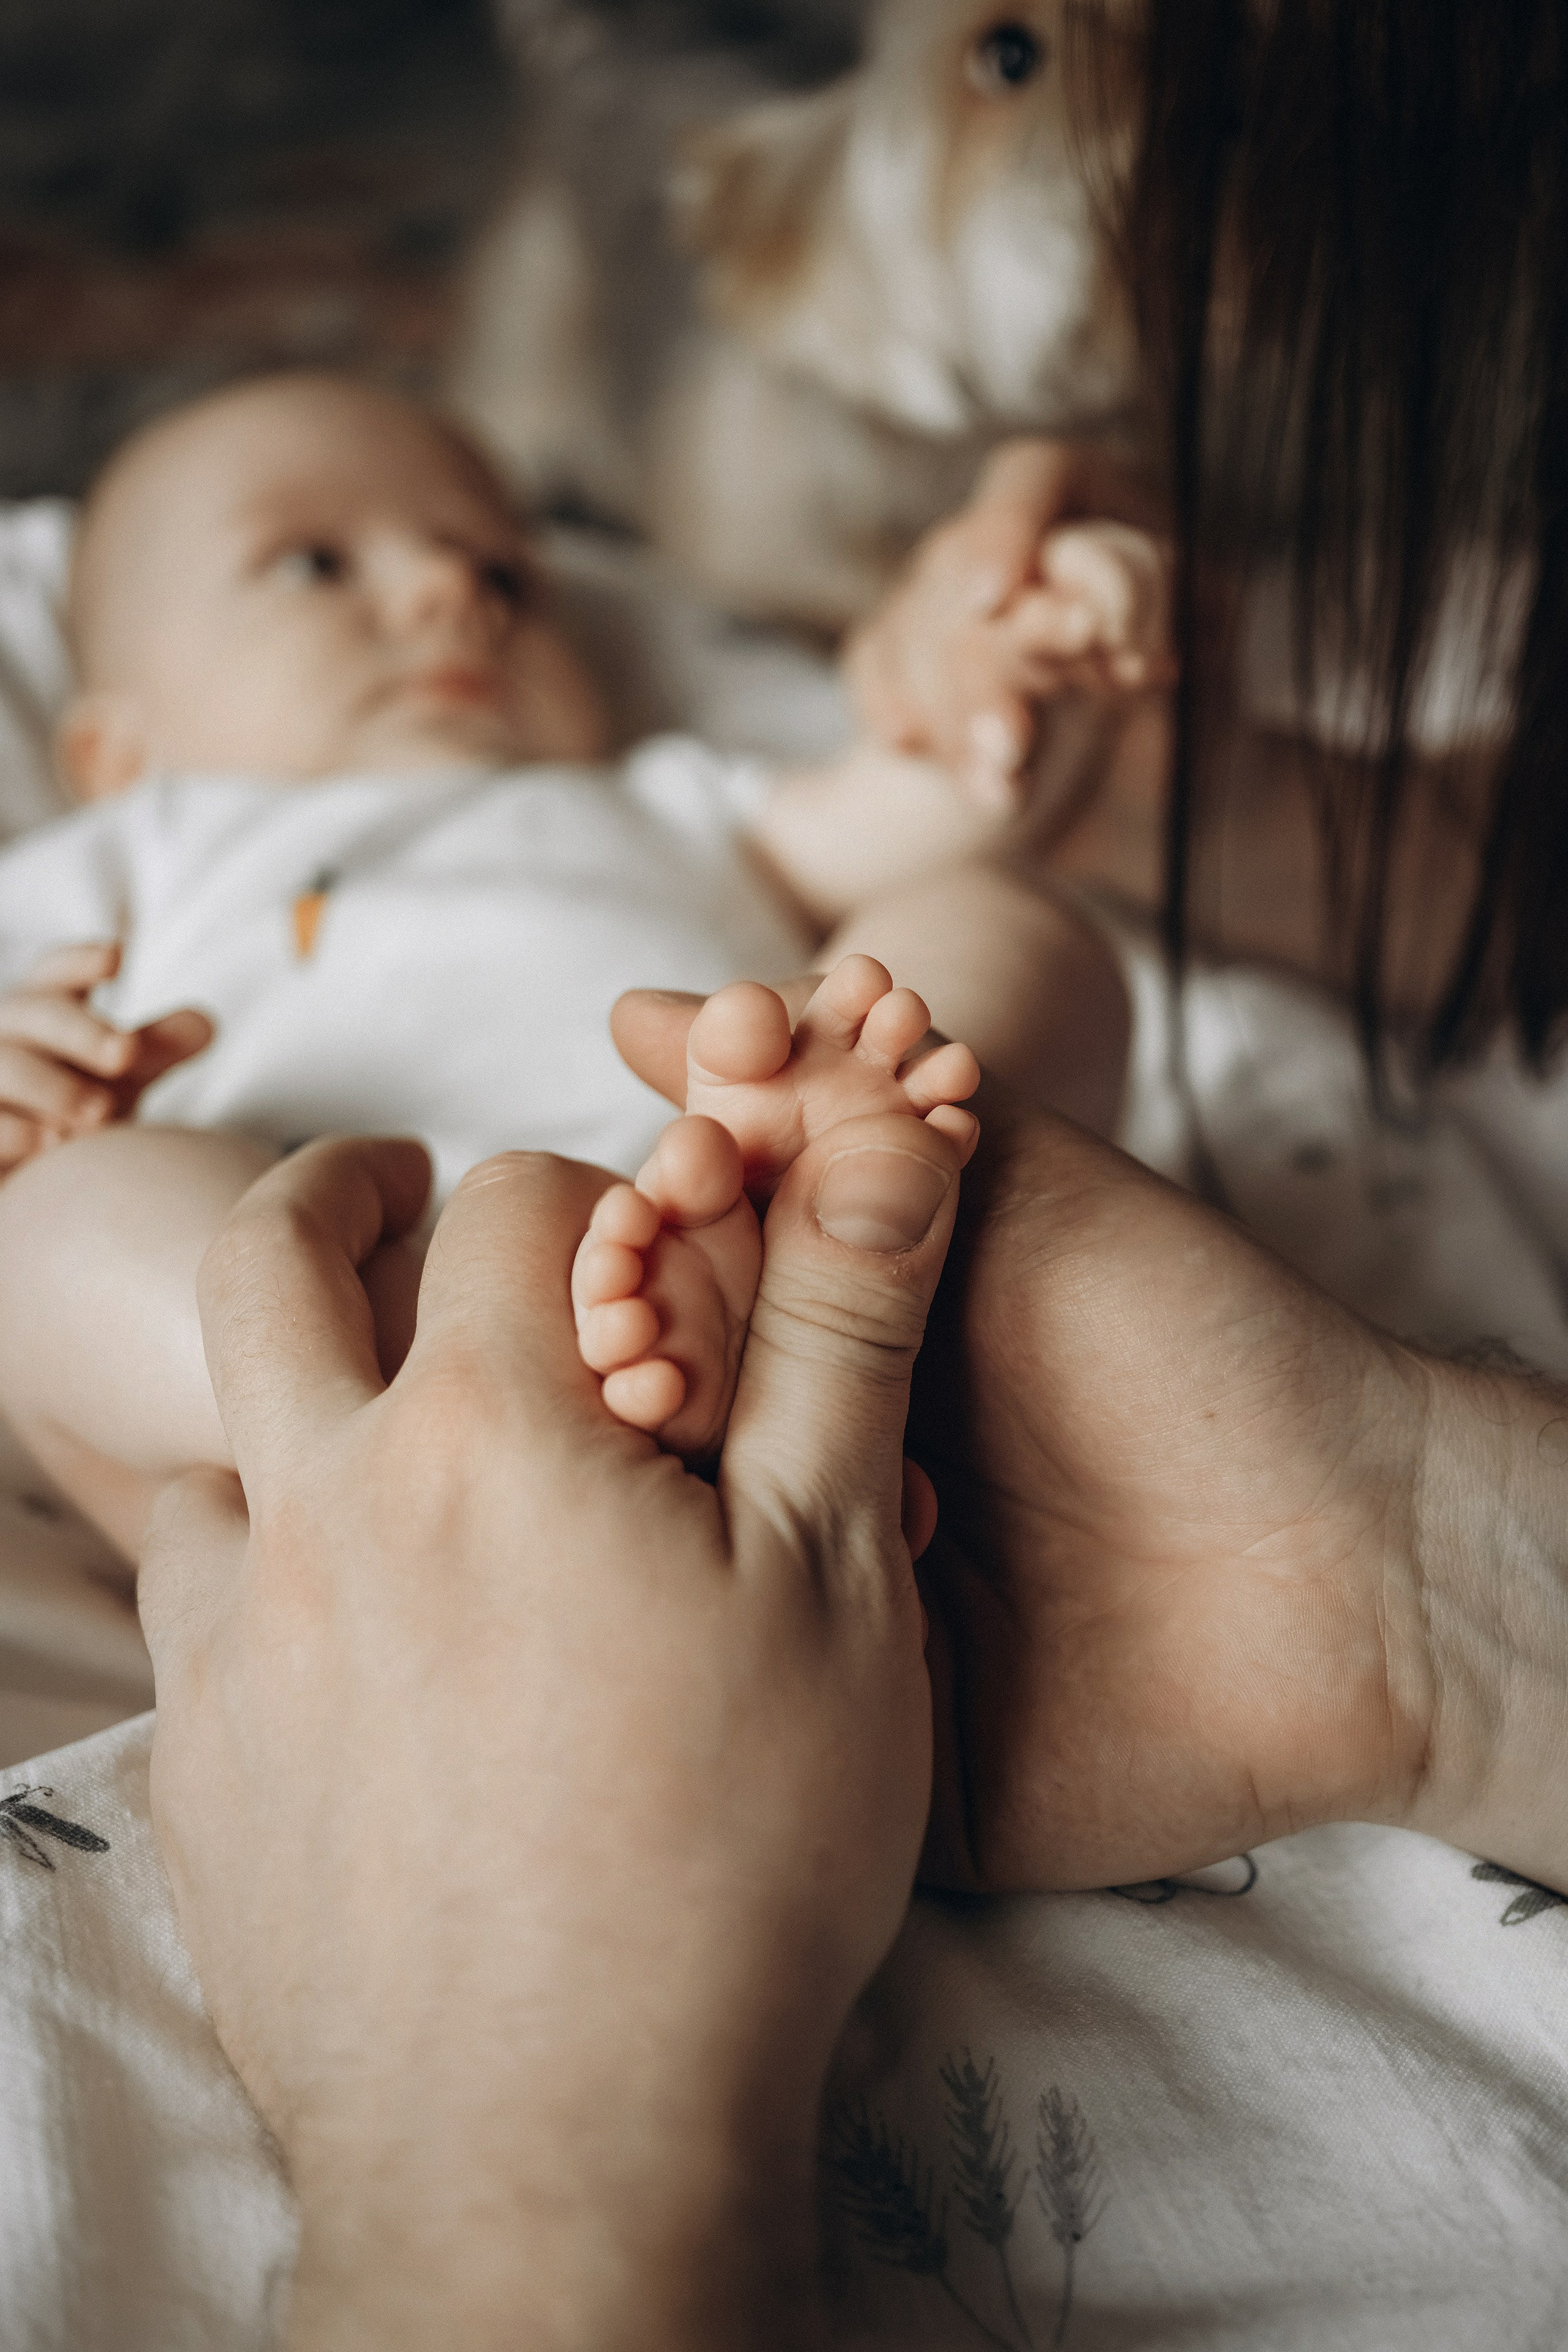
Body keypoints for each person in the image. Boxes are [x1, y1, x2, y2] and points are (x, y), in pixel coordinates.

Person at [0, 367, 1156, 1537]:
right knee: (58, 1225)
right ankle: (440, 1392)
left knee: (997, 918)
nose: (454, 588)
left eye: (505, 572)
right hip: (336, 1307)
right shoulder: (145, 846)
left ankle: (817, 1228)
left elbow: (907, 809)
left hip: (733, 1203)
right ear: (114, 752)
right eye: (316, 564)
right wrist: (27, 1081)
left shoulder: (663, 799)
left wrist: (1011, 667)